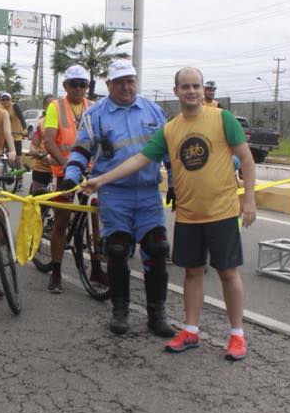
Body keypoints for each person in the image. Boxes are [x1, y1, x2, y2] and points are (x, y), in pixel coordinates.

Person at [84, 67, 256, 361]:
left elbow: (248, 160)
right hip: (189, 214)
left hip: (222, 211)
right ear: (175, 91)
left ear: (203, 90)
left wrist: (249, 199)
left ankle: (237, 335)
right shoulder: (170, 128)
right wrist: (102, 180)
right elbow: (140, 158)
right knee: (191, 273)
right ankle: (190, 330)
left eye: (196, 86)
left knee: (228, 273)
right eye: (185, 87)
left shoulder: (222, 119)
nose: (191, 91)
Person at [62, 60, 172, 336]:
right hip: (114, 193)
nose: (126, 86)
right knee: (118, 250)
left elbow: (171, 148)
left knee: (157, 249)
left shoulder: (153, 110)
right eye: (120, 81)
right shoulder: (96, 114)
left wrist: (177, 182)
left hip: (148, 193)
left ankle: (157, 313)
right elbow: (81, 151)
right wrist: (70, 177)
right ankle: (120, 310)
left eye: (131, 80)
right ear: (109, 84)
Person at [35, 65, 93, 293]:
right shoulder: (55, 107)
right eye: (74, 84)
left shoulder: (93, 107)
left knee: (96, 217)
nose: (79, 89)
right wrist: (69, 167)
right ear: (66, 86)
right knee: (61, 222)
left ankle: (96, 264)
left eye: (83, 85)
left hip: (89, 171)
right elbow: (49, 141)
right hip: (64, 172)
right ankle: (56, 271)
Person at [27, 95, 55, 195]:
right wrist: (33, 150)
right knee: (36, 200)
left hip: (59, 167)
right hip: (41, 165)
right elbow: (34, 144)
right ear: (44, 107)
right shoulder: (40, 123)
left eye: (55, 105)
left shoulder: (65, 122)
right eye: (49, 105)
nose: (53, 108)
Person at [0, 92, 27, 158]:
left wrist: (25, 129)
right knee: (3, 154)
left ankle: (19, 166)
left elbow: (21, 117)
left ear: (10, 100)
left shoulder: (14, 106)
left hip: (16, 134)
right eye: (3, 100)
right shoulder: (0, 108)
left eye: (7, 99)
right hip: (6, 134)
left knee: (18, 156)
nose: (5, 101)